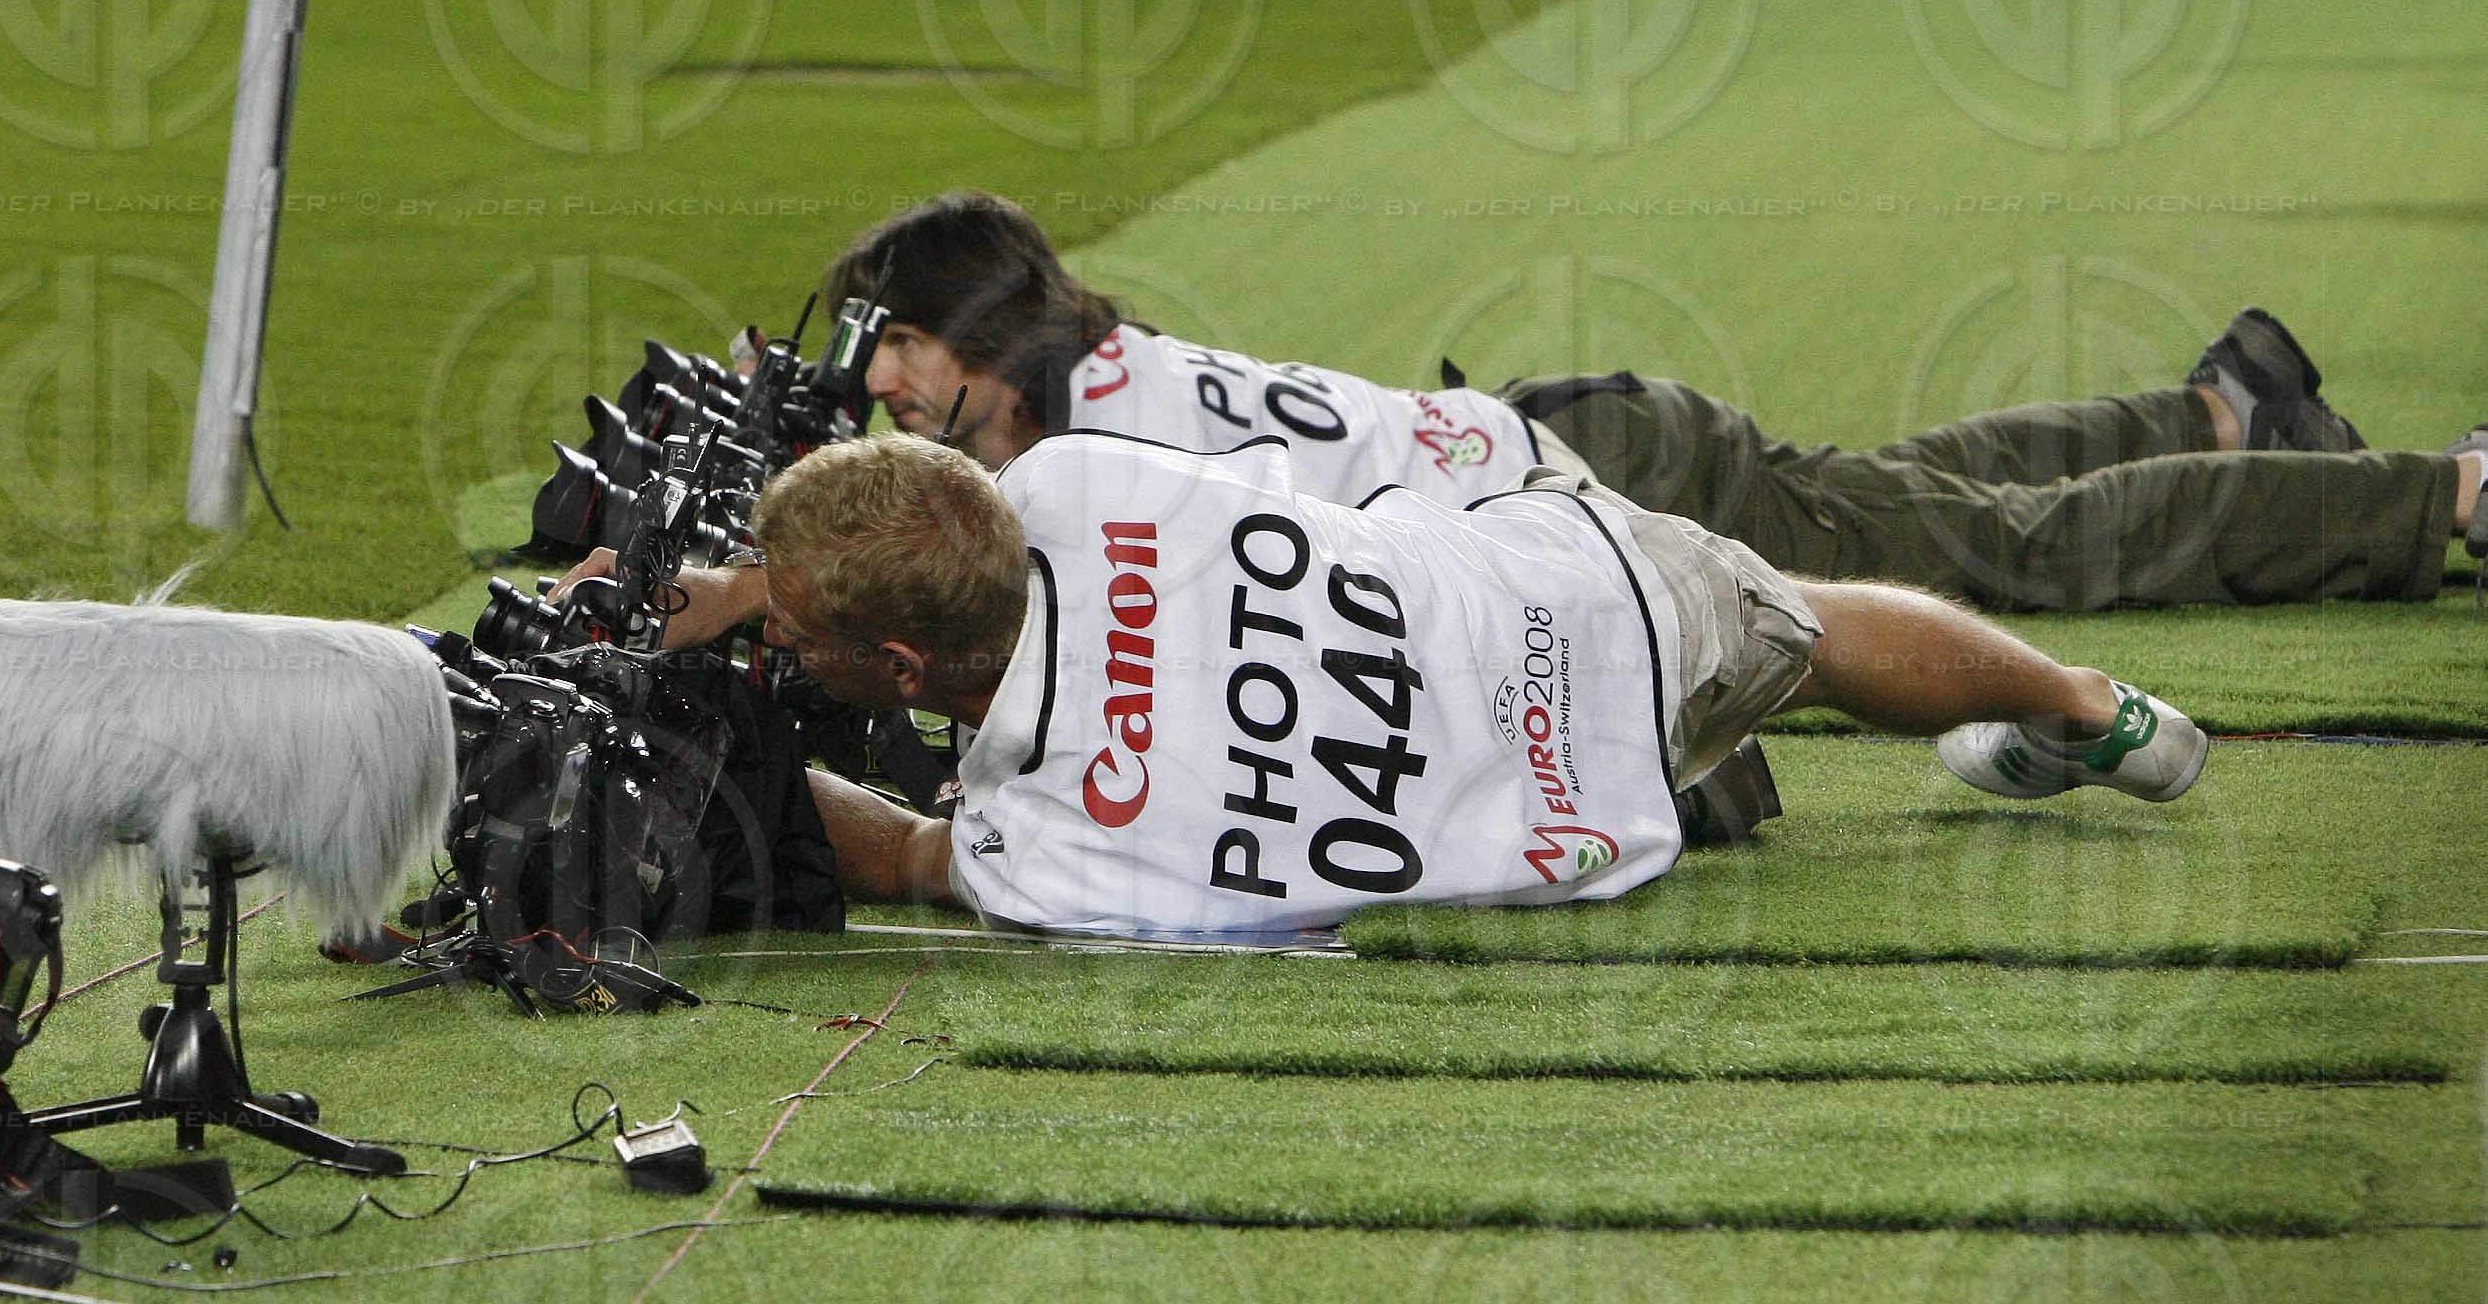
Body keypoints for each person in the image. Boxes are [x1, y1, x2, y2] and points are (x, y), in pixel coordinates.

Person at [624, 192, 2477, 621]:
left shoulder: (1101, 444)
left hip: (1599, 485)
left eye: (897, 344)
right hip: (1572, 441)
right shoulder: (1089, 376)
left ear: (977, 333)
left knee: (2002, 561)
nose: (877, 382)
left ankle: (2442, 498)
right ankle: (2219, 415)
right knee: (1891, 500)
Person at [752, 431, 2210, 940]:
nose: (776, 634)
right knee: (1809, 631)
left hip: (1563, 809)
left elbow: (909, 854)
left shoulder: (1038, 842)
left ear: (900, 669)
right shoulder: (1071, 482)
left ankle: (2064, 711)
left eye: (794, 627)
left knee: (1791, 644)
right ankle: (2086, 710)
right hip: (1578, 611)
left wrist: (735, 755)